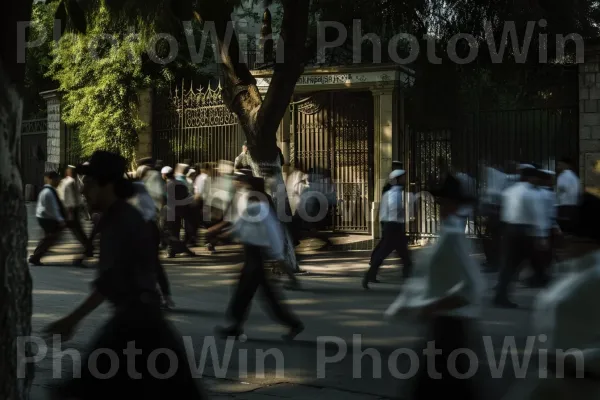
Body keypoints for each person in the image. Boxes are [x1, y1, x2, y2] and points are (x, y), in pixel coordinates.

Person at [44, 151, 206, 400]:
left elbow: (110, 282)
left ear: (106, 184)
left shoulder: (121, 221)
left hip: (136, 323)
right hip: (142, 321)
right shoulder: (119, 217)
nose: (84, 191)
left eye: (88, 183)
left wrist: (71, 319)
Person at [384, 173, 485, 399]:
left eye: (445, 201)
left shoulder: (453, 235)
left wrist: (433, 306)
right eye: (440, 201)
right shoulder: (447, 232)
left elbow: (473, 286)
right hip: (444, 326)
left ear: (455, 204)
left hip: (451, 326)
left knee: (437, 387)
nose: (440, 206)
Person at [212, 171, 304, 341]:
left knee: (246, 293)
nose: (243, 190)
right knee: (260, 294)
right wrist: (221, 234)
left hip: (256, 256)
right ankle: (290, 323)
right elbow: (241, 226)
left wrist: (278, 257)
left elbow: (272, 233)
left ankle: (236, 326)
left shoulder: (259, 207)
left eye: (247, 187)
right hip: (252, 255)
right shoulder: (253, 206)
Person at [494, 165, 546, 308]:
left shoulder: (509, 191)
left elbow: (504, 212)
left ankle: (500, 294)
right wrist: (541, 236)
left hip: (510, 229)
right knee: (537, 262)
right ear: (531, 178)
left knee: (509, 264)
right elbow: (537, 216)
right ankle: (548, 290)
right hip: (526, 231)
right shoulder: (532, 194)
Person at [129, 175, 175, 309]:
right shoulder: (145, 196)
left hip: (143, 231)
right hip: (150, 229)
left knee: (147, 265)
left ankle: (154, 296)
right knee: (154, 265)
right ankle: (165, 297)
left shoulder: (136, 198)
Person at [363, 169, 413, 289]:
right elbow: (394, 210)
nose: (405, 180)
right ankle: (369, 275)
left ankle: (370, 275)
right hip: (393, 226)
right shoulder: (394, 193)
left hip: (391, 226)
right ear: (396, 180)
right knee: (388, 253)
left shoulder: (392, 192)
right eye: (403, 178)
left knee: (402, 255)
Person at [29, 171, 67, 266]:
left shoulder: (46, 190)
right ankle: (35, 257)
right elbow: (54, 208)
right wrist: (60, 220)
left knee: (47, 238)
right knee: (50, 238)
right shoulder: (49, 192)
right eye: (57, 180)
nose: (58, 182)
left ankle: (36, 255)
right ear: (51, 179)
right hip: (48, 219)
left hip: (44, 217)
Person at [58, 165, 90, 265]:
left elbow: (71, 197)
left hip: (69, 209)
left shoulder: (68, 181)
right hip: (70, 209)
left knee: (77, 231)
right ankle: (88, 247)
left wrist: (70, 211)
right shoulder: (72, 181)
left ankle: (88, 247)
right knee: (77, 231)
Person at [163, 167, 196, 257]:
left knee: (170, 232)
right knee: (175, 231)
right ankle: (173, 250)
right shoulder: (181, 183)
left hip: (170, 211)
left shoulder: (167, 185)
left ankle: (175, 250)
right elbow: (187, 195)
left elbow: (165, 198)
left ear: (164, 175)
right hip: (180, 210)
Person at [556, 157, 581, 233]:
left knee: (564, 228)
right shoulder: (574, 176)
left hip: (564, 205)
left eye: (560, 164)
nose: (558, 167)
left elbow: (561, 189)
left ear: (566, 165)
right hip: (573, 204)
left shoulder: (563, 176)